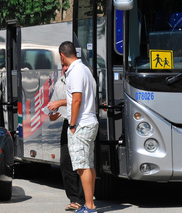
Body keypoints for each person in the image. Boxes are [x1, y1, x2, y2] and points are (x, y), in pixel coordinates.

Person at [56, 41, 99, 213]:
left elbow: (76, 99)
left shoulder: (74, 72)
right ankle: (90, 202)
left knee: (82, 166)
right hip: (91, 120)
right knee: (88, 165)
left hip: (81, 122)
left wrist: (72, 124)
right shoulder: (86, 70)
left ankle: (89, 206)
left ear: (62, 56)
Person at [48, 65, 85, 211]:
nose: (65, 68)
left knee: (82, 162)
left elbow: (79, 100)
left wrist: (60, 102)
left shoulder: (81, 78)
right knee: (65, 162)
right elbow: (53, 110)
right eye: (63, 66)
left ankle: (83, 199)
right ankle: (74, 198)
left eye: (67, 65)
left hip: (82, 122)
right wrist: (52, 114)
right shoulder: (60, 83)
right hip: (67, 122)